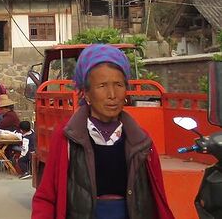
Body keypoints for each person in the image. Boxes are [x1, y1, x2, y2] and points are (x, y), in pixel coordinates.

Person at [32, 44, 174, 219]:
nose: (112, 94)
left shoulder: (141, 141)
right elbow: (46, 197)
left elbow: (158, 199)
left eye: (119, 85)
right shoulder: (67, 138)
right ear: (87, 93)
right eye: (102, 86)